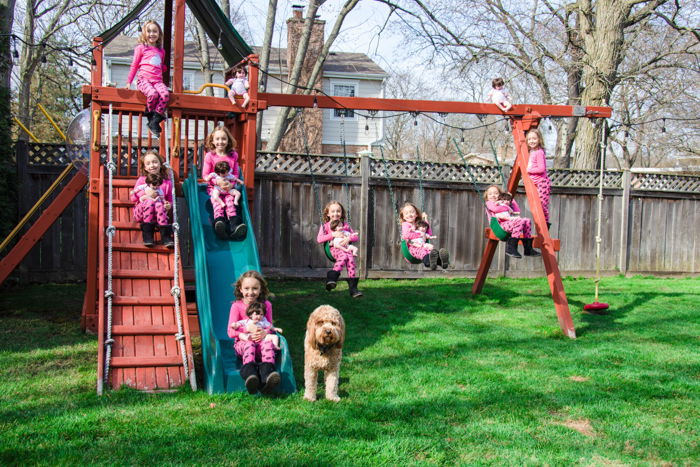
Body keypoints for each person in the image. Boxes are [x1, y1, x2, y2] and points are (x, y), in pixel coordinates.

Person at [226, 271, 281, 394]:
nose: (250, 292)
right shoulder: (236, 306)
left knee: (268, 344)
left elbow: (269, 326)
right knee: (249, 345)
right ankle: (250, 375)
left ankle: (267, 375)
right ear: (240, 289)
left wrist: (264, 333)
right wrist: (245, 330)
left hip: (261, 345)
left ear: (260, 289)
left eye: (255, 288)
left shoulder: (266, 305)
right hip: (245, 345)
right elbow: (230, 331)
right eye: (246, 288)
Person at [201, 126, 247, 240]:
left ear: (228, 140)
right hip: (215, 188)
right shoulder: (210, 156)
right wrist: (217, 181)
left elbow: (235, 173)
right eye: (217, 139)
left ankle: (234, 226)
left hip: (229, 188)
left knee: (231, 203)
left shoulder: (233, 156)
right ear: (212, 141)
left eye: (223, 139)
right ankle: (219, 223)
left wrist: (231, 184)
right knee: (217, 205)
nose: (220, 142)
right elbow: (205, 175)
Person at [125, 21, 169, 137]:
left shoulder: (161, 51)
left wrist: (163, 68)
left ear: (159, 34)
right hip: (144, 80)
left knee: (165, 95)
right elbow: (134, 65)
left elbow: (159, 65)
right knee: (153, 94)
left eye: (155, 31)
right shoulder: (141, 48)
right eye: (149, 31)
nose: (152, 34)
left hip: (157, 81)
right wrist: (129, 82)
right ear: (144, 33)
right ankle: (150, 116)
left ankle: (155, 119)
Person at [316, 201, 363, 298]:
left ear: (341, 213)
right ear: (328, 214)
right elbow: (319, 239)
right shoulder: (325, 226)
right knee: (344, 255)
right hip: (334, 249)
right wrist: (332, 234)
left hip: (345, 248)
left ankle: (353, 288)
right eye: (332, 211)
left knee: (350, 259)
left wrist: (349, 238)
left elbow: (355, 237)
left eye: (338, 211)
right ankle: (332, 278)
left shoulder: (345, 225)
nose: (335, 213)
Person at [129, 150, 174, 247]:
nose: (152, 165)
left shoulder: (167, 183)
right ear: (145, 167)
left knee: (158, 204)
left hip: (160, 212)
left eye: (155, 162)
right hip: (142, 213)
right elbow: (133, 197)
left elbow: (170, 198)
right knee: (150, 202)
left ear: (160, 164)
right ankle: (148, 236)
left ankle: (165, 237)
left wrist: (168, 205)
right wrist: (144, 193)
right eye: (148, 163)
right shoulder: (142, 180)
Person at [484, 185, 541, 259]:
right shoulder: (489, 203)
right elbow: (495, 209)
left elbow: (517, 211)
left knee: (527, 221)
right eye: (490, 194)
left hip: (508, 224)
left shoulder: (504, 202)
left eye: (495, 193)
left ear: (500, 195)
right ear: (487, 196)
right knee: (519, 221)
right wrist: (507, 206)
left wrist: (511, 200)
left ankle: (528, 249)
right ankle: (511, 248)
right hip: (499, 226)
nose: (493, 195)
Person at [400, 202, 449, 270]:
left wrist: (425, 219)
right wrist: (421, 234)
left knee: (431, 253)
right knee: (422, 252)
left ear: (416, 214)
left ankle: (442, 262)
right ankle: (429, 263)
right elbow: (407, 235)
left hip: (423, 245)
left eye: (412, 212)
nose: (409, 215)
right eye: (406, 213)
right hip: (412, 247)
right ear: (403, 217)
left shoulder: (419, 224)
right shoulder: (405, 224)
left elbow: (429, 232)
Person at [525, 128, 552, 228]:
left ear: (539, 139)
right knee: (537, 204)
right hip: (536, 183)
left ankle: (545, 224)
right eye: (529, 139)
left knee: (541, 204)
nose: (532, 141)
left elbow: (541, 168)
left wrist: (529, 170)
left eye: (534, 139)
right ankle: (543, 223)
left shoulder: (539, 152)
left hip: (542, 182)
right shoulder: (531, 152)